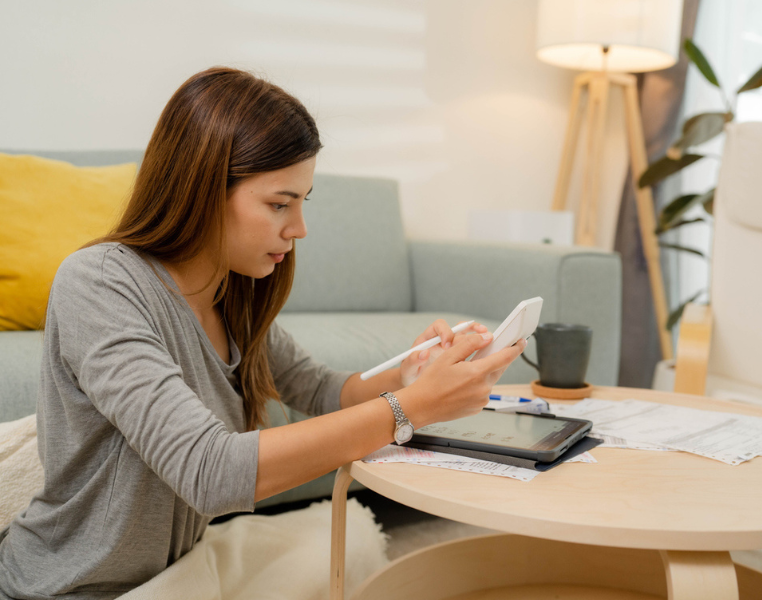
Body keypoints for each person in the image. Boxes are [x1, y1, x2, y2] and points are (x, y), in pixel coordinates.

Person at [0, 66, 525, 599]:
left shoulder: (232, 294)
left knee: (351, 542)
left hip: (177, 570)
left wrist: (412, 375)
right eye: (279, 204)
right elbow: (210, 472)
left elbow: (322, 390)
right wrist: (408, 409)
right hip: (69, 587)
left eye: (302, 202)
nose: (298, 229)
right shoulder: (99, 284)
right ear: (202, 189)